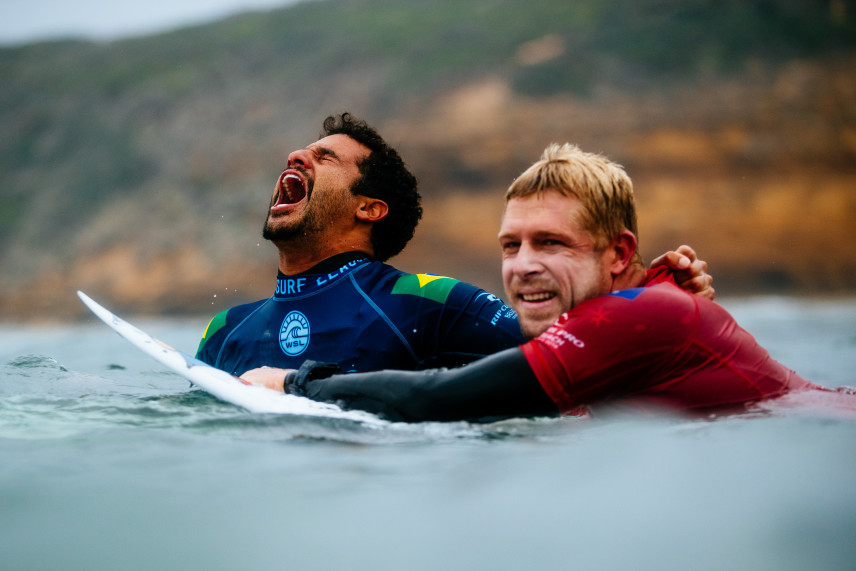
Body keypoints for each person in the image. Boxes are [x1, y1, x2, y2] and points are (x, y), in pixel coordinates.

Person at [242, 143, 847, 422]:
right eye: (511, 245)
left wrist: (297, 383)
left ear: (619, 256)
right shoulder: (635, 316)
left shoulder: (639, 317)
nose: (523, 265)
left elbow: (436, 400)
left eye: (551, 243)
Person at [198, 114, 713, 377]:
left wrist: (650, 299)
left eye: (325, 157)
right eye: (302, 151)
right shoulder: (225, 331)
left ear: (370, 207)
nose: (296, 155)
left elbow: (576, 357)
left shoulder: (431, 303)